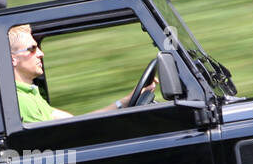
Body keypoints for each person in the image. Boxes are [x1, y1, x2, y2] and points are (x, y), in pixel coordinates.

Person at [10, 24, 153, 123]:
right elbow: (60, 139)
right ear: (13, 59)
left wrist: (125, 101)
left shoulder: (32, 94)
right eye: (32, 49)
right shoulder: (20, 101)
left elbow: (74, 122)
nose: (41, 53)